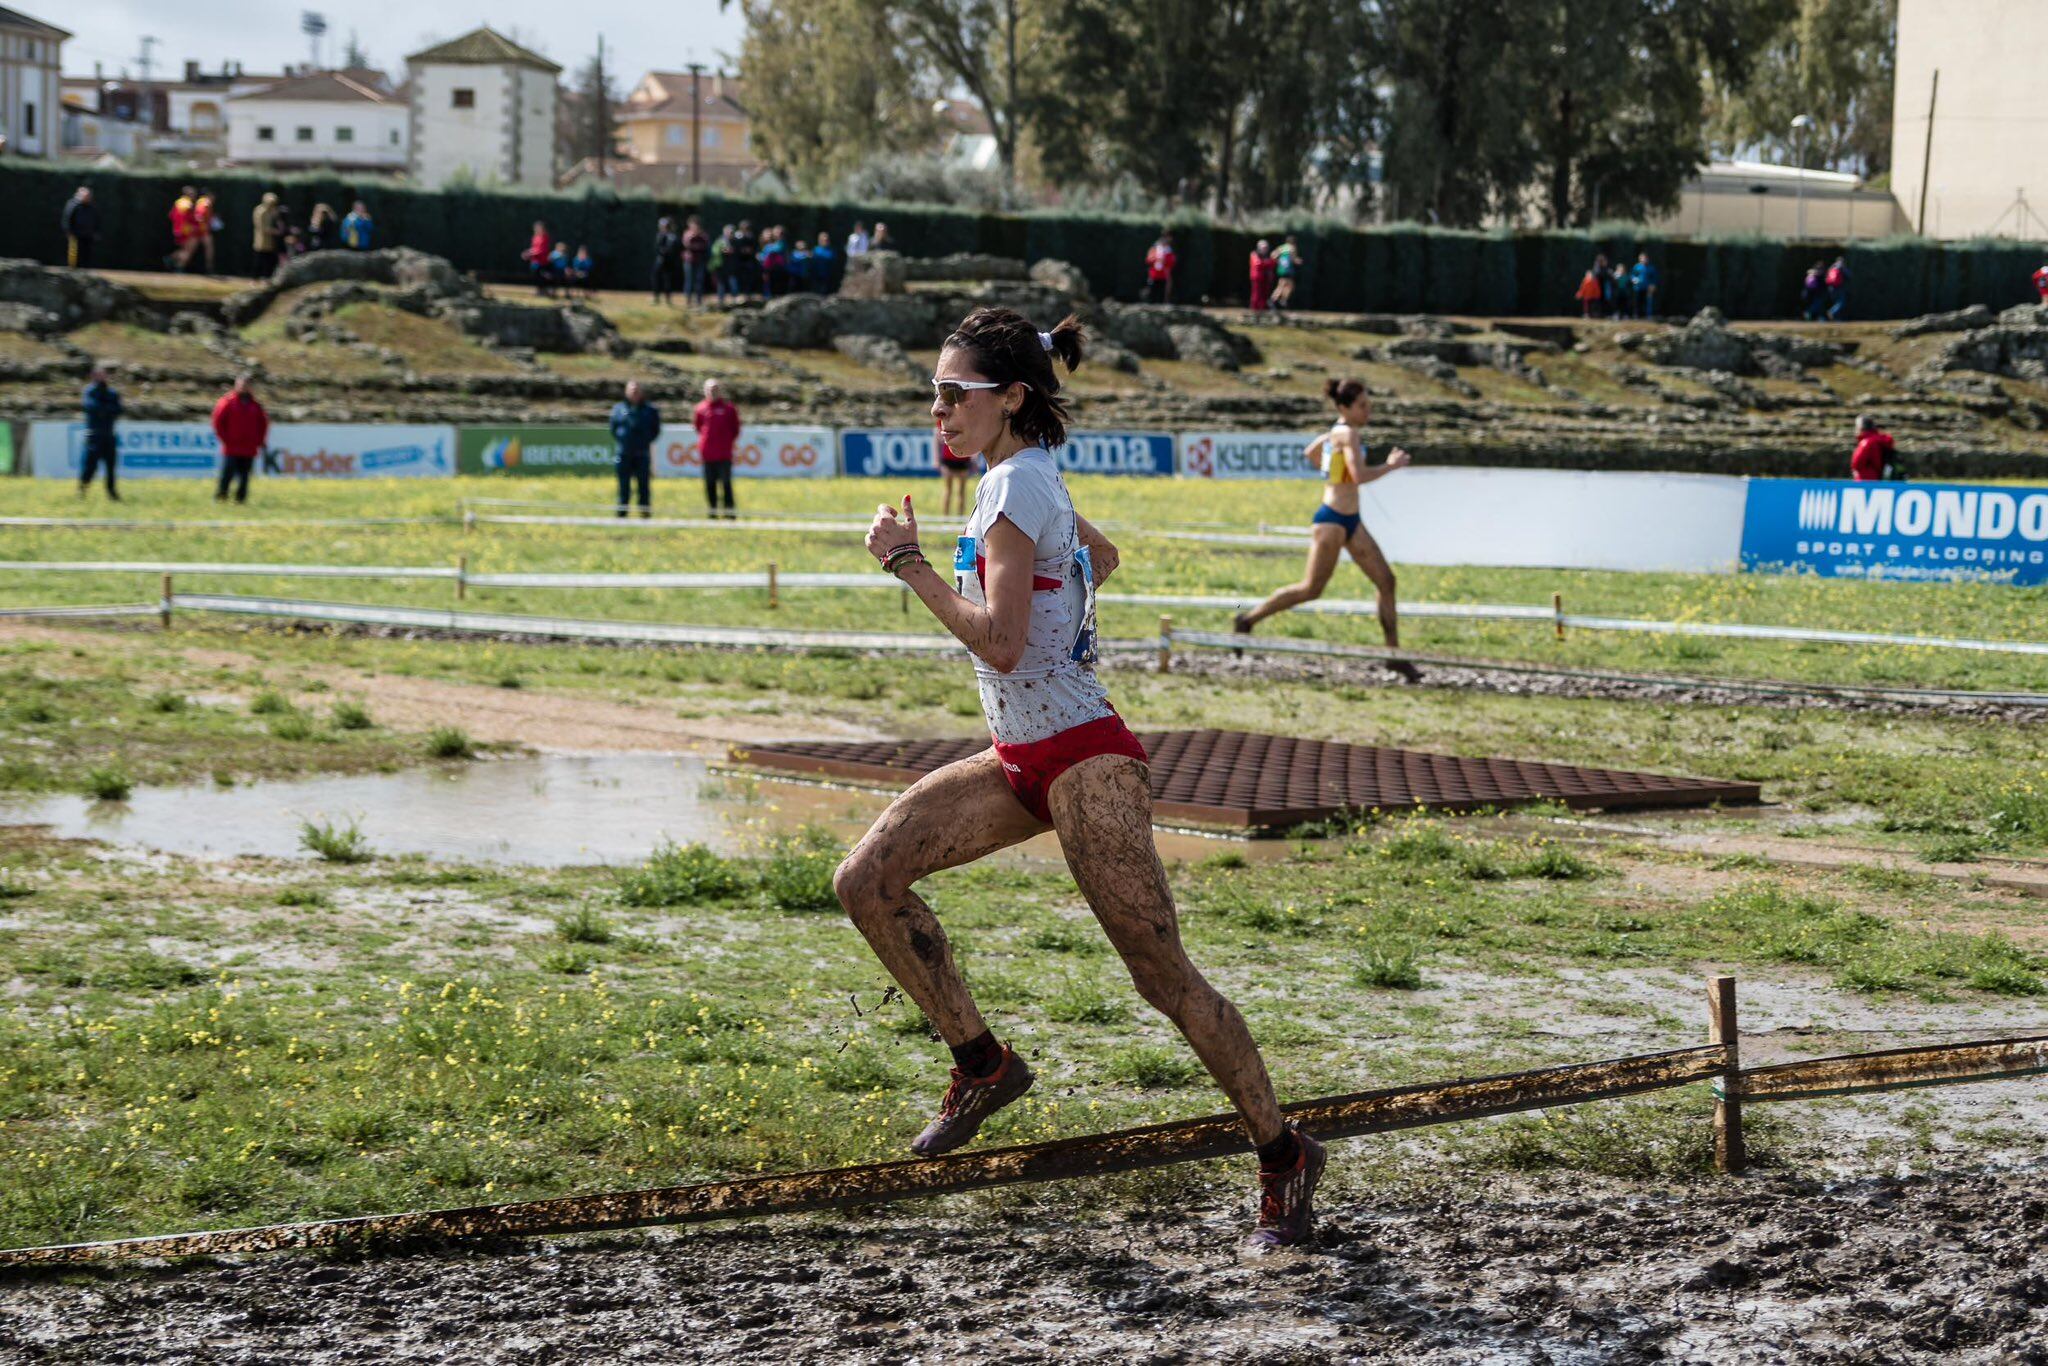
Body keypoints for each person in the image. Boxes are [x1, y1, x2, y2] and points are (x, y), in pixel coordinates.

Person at [841, 305, 1326, 1249]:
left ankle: (1283, 1153)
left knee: (1163, 979)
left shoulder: (1013, 489)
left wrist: (908, 565)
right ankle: (982, 1065)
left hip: (1086, 759)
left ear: (1012, 398)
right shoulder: (1022, 481)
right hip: (1021, 755)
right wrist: (1061, 554)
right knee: (866, 880)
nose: (936, 410)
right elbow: (1101, 556)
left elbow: (1005, 643)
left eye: (954, 395)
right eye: (932, 394)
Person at [1233, 377, 1414, 678]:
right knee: (1311, 589)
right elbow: (1358, 476)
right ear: (1344, 407)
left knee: (1387, 581)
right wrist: (1391, 466)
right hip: (1331, 521)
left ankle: (1393, 654)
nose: (1368, 411)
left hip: (1350, 520)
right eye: (1362, 406)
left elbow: (1310, 452)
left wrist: (1332, 471)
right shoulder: (1348, 434)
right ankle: (1248, 620)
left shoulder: (1337, 431)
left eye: (1369, 404)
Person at [210, 374, 269, 505]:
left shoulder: (255, 405)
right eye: (241, 384)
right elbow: (217, 421)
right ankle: (221, 496)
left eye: (247, 385)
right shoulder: (227, 402)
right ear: (236, 385)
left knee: (245, 476)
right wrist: (225, 439)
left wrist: (259, 441)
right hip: (231, 446)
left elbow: (263, 424)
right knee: (227, 474)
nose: (244, 387)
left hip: (249, 448)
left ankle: (240, 500)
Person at [610, 380, 661, 518]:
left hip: (642, 454)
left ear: (642, 392)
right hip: (624, 454)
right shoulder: (618, 409)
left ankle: (644, 513)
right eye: (632, 390)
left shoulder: (650, 410)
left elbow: (655, 430)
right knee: (623, 486)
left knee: (643, 486)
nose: (634, 393)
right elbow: (613, 429)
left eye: (637, 390)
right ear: (626, 392)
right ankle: (622, 513)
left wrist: (643, 441)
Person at [693, 379, 740, 518]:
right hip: (707, 455)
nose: (712, 391)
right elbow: (698, 427)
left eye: (715, 388)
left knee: (726, 483)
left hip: (724, 454)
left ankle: (729, 513)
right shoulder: (700, 408)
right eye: (709, 388)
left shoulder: (729, 408)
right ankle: (712, 513)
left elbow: (735, 429)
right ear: (705, 390)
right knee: (709, 484)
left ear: (719, 390)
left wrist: (726, 442)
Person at [79, 366, 121, 500]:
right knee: (90, 466)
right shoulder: (89, 392)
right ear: (93, 376)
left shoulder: (112, 393)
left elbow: (118, 410)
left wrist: (104, 410)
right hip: (94, 435)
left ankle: (111, 492)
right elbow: (91, 407)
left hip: (109, 435)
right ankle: (83, 489)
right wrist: (107, 410)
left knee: (111, 467)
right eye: (97, 375)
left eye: (102, 375)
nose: (100, 377)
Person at [1849, 413, 1896, 482]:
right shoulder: (1874, 440)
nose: (1855, 429)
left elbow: (1856, 464)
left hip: (1866, 481)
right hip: (1874, 478)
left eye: (1856, 426)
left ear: (1862, 427)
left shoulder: (1867, 442)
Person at [61, 187, 99, 269]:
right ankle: (72, 270)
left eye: (88, 196)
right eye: (85, 196)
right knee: (74, 254)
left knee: (87, 254)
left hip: (88, 235)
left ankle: (85, 270)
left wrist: (95, 232)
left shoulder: (92, 207)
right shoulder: (73, 205)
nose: (87, 198)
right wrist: (68, 232)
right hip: (75, 234)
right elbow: (67, 219)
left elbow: (96, 220)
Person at [938, 431, 974, 516]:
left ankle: (960, 516)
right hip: (949, 459)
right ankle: (945, 517)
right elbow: (938, 439)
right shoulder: (943, 422)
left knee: (961, 491)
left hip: (963, 459)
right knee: (948, 490)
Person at [251, 192, 285, 279]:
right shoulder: (261, 212)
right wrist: (276, 232)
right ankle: (255, 278)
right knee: (259, 260)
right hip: (262, 240)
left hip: (270, 241)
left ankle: (267, 277)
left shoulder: (271, 211)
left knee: (268, 261)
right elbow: (262, 228)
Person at [166, 185, 199, 271]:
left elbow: (171, 216)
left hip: (177, 230)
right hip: (186, 230)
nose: (194, 196)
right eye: (193, 194)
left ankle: (173, 261)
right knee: (187, 251)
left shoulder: (178, 202)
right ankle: (178, 267)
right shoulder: (188, 204)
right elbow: (191, 218)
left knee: (184, 250)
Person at [651, 217, 681, 305]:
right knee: (656, 278)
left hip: (667, 261)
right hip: (661, 260)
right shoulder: (661, 235)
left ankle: (667, 299)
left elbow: (673, 248)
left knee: (667, 280)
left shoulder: (671, 236)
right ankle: (657, 297)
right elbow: (657, 247)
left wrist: (664, 252)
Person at [681, 216, 710, 307]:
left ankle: (699, 301)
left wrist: (697, 244)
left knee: (699, 281)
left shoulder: (703, 235)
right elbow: (687, 245)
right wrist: (694, 237)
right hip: (689, 261)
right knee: (689, 281)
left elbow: (705, 246)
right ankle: (688, 301)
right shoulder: (687, 234)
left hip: (699, 261)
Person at [1144, 230, 1177, 305]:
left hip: (1164, 276)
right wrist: (1157, 259)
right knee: (1152, 293)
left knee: (1162, 295)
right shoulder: (1155, 248)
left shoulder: (1169, 250)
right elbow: (1148, 260)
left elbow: (1172, 262)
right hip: (1154, 275)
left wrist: (1164, 260)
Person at [1272, 235, 1303, 310]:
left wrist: (1279, 261)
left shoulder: (1282, 247)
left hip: (1281, 269)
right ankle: (1277, 300)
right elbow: (1294, 259)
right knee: (1289, 286)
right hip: (1288, 270)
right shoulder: (1292, 248)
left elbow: (1273, 255)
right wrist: (1298, 261)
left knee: (1282, 284)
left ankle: (1279, 300)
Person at [192, 188, 219, 274]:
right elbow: (200, 215)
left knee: (189, 250)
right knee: (209, 249)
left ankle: (174, 263)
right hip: (203, 231)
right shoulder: (206, 203)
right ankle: (209, 269)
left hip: (198, 230)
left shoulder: (200, 202)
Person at [523, 221, 554, 294]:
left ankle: (544, 291)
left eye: (539, 227)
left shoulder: (545, 237)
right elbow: (534, 248)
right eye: (536, 228)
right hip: (535, 262)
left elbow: (542, 250)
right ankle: (539, 291)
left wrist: (530, 254)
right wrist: (527, 253)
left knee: (543, 277)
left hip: (543, 261)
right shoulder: (535, 237)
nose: (537, 229)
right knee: (536, 277)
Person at [731, 220, 758, 301]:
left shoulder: (751, 236)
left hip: (748, 260)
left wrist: (750, 251)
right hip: (739, 260)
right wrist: (741, 250)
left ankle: (747, 294)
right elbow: (734, 247)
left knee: (748, 278)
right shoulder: (737, 236)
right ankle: (738, 295)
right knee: (739, 278)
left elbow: (754, 247)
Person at [710, 224, 736, 306]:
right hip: (720, 266)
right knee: (721, 284)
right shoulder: (719, 241)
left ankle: (734, 301)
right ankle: (721, 302)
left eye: (731, 232)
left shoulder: (735, 241)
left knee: (732, 283)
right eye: (728, 232)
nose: (730, 234)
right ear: (724, 232)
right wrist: (724, 251)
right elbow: (714, 251)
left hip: (731, 266)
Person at [1248, 239, 1276, 313]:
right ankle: (1254, 309)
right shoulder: (1254, 254)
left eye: (1266, 248)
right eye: (1263, 248)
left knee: (1265, 294)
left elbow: (1273, 263)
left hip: (1266, 278)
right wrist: (1268, 262)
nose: (1265, 249)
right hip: (1257, 277)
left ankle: (1262, 309)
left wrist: (1268, 262)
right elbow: (1258, 264)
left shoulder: (1267, 256)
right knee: (1256, 294)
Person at [1631, 251, 1659, 320]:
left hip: (1647, 288)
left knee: (1647, 302)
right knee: (1637, 302)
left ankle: (1647, 316)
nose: (1643, 259)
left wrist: (1653, 285)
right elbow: (1632, 275)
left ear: (1647, 259)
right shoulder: (1636, 267)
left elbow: (1655, 278)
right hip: (1638, 288)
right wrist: (1634, 279)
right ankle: (1636, 315)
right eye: (1642, 258)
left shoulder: (1651, 268)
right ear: (1639, 259)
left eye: (1645, 258)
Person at [1825, 255, 1849, 322]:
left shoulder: (1832, 267)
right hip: (1839, 288)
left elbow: (1827, 278)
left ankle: (1837, 319)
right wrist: (1843, 268)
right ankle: (1832, 312)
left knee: (1836, 303)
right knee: (1841, 303)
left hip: (1831, 288)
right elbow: (1849, 276)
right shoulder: (1841, 268)